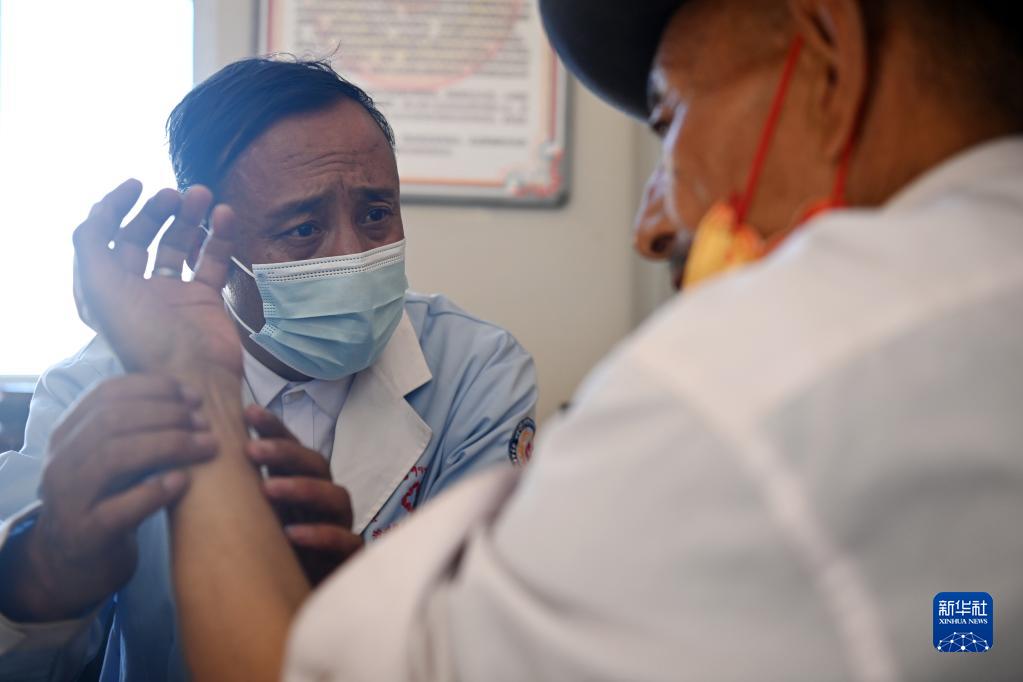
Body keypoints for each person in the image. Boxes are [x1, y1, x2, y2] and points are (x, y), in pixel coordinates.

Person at [29, 0, 1023, 679]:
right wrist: (53, 562)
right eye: (299, 228)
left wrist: (196, 384)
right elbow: (963, 628)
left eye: (669, 117)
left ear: (830, 58)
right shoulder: (970, 321)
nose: (652, 224)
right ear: (212, 233)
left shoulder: (727, 390)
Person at [0, 58, 537, 681]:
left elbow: (490, 643)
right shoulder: (97, 385)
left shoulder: (476, 368)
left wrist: (357, 602)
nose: (352, 256)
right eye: (303, 228)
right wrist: (46, 576)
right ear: (207, 244)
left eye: (375, 214)